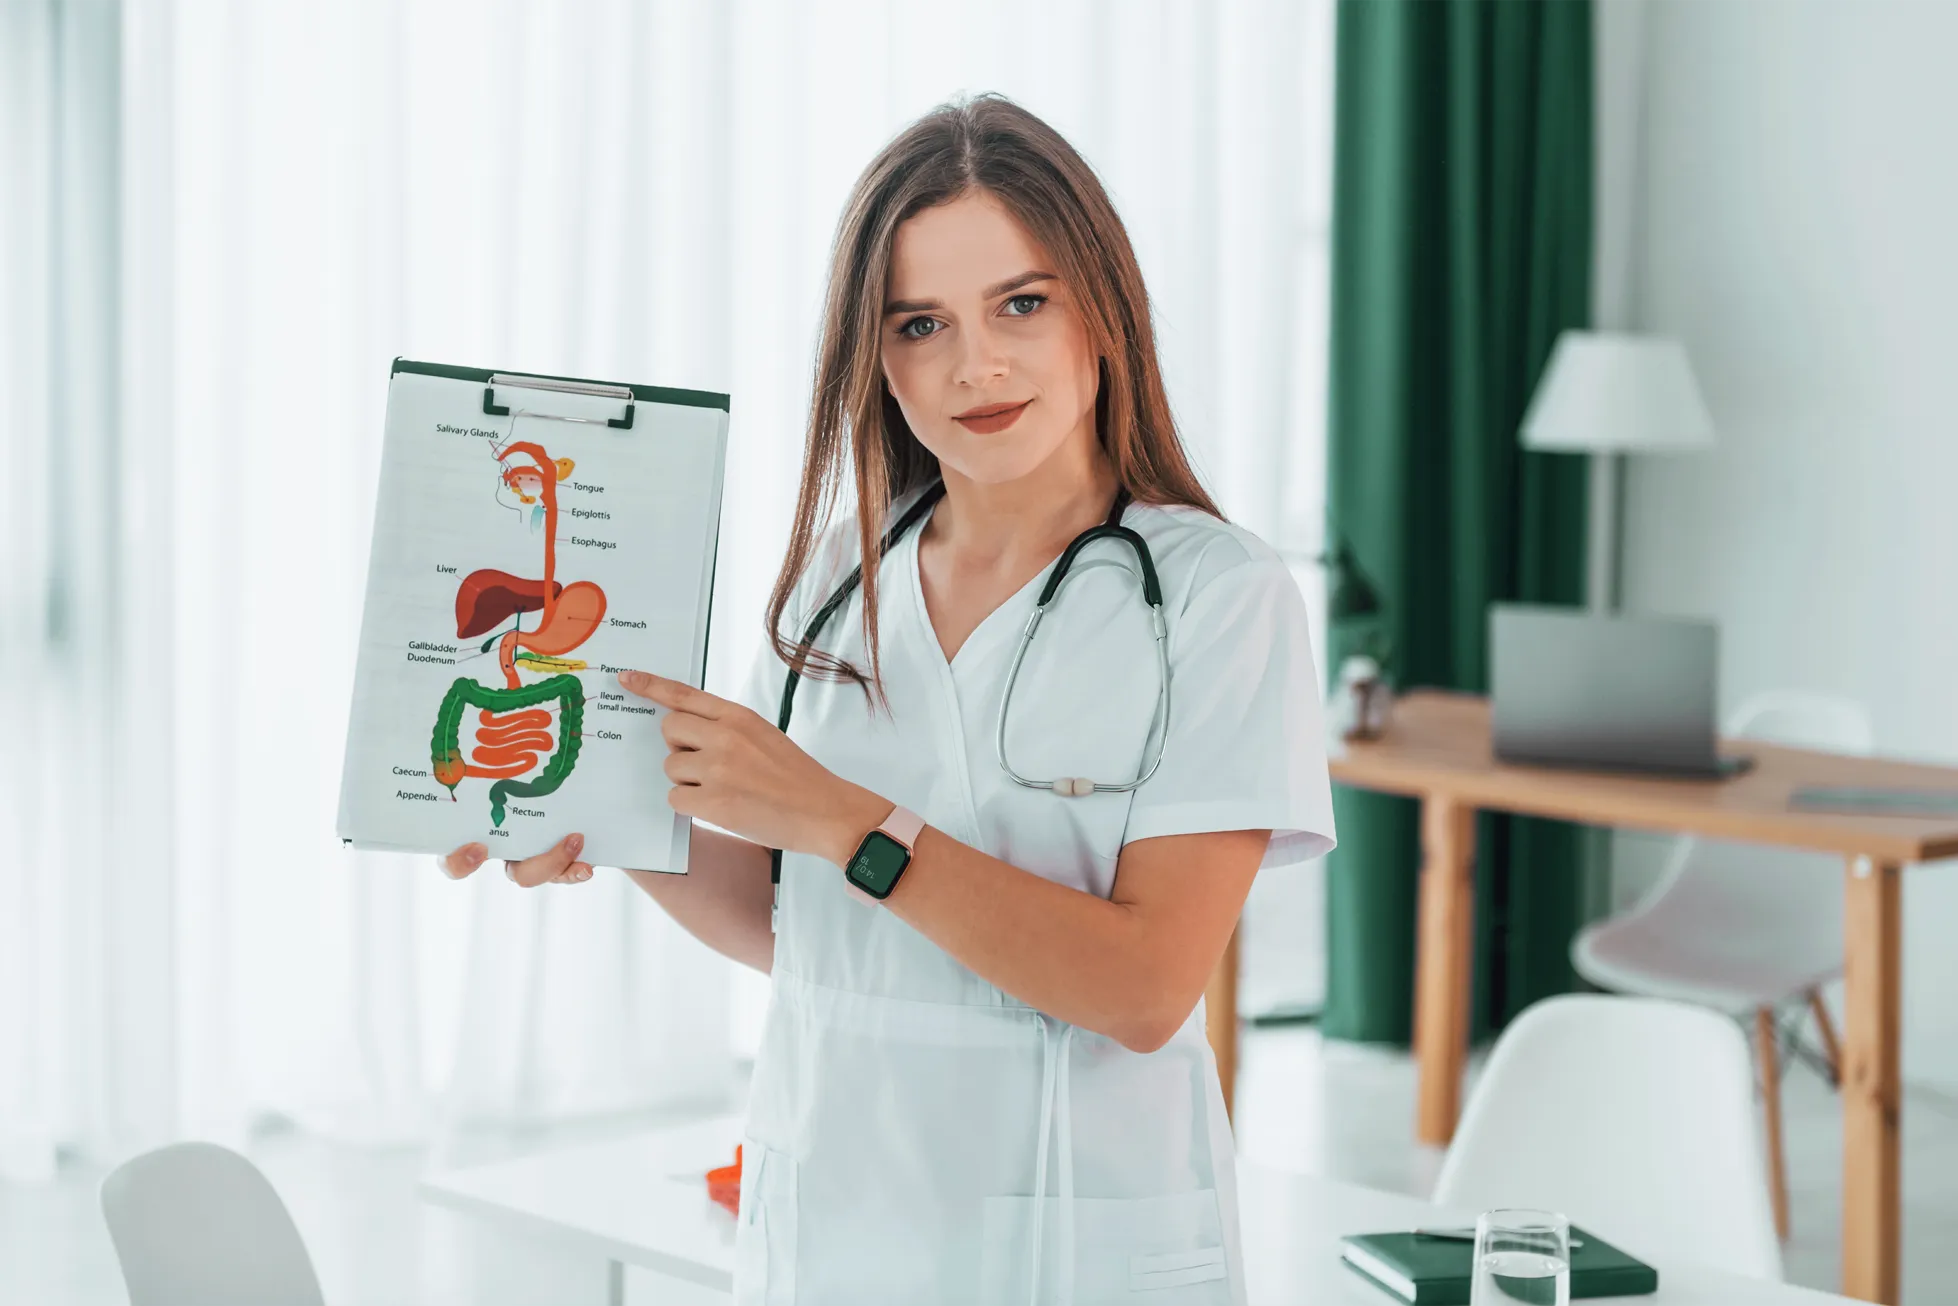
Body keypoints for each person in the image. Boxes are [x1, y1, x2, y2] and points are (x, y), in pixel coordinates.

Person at [440, 93, 1335, 1306]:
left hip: (1079, 1245)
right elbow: (796, 923)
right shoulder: (832, 578)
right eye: (920, 323)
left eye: (1021, 302)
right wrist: (602, 816)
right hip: (837, 1221)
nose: (976, 363)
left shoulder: (1217, 598)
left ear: (1103, 313)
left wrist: (841, 820)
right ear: (874, 355)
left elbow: (1140, 987)